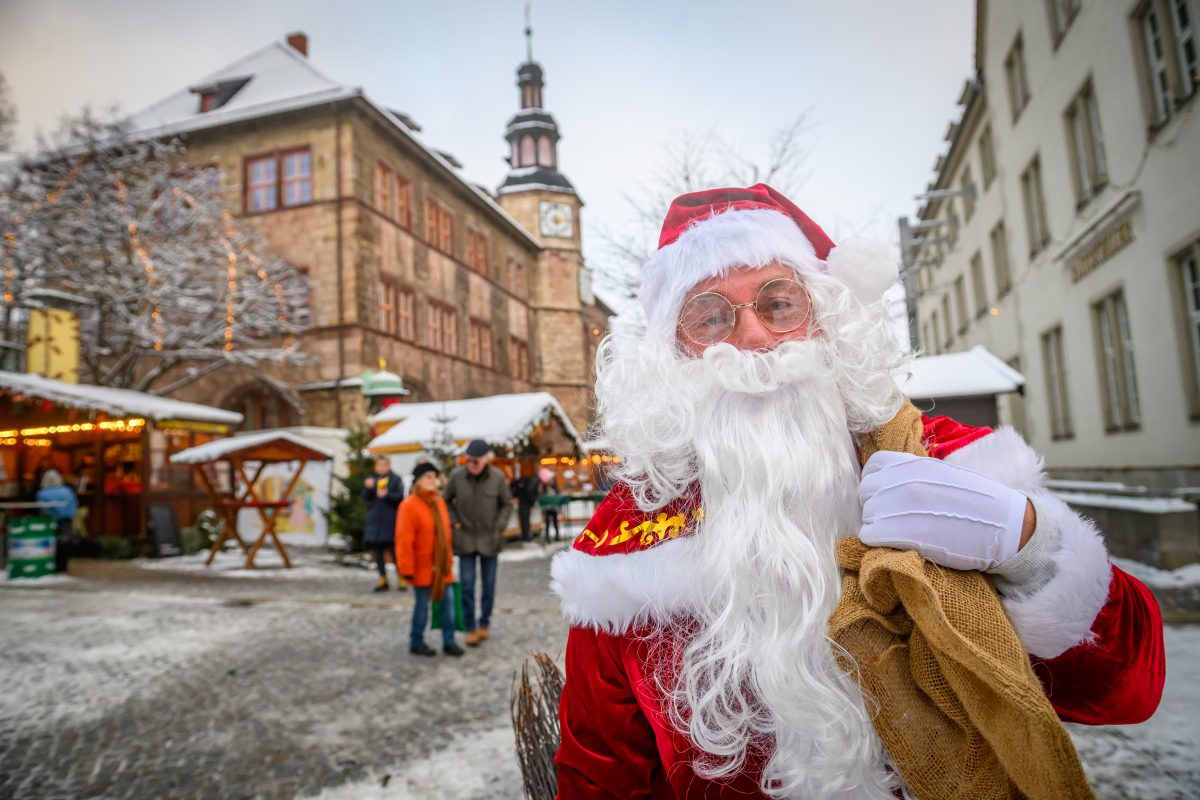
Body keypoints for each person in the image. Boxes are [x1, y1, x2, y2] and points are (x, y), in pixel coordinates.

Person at [551, 184, 1165, 798]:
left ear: (826, 317)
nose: (756, 339)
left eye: (779, 303)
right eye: (711, 317)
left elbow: (1127, 691)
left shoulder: (946, 458)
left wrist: (1031, 548)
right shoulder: (628, 535)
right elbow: (598, 771)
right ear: (674, 354)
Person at [443, 439, 512, 647]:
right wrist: (454, 522)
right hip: (465, 539)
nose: (472, 463)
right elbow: (446, 500)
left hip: (490, 540)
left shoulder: (497, 478)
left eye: (476, 460)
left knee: (488, 587)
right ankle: (470, 627)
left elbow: (506, 504)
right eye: (469, 459)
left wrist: (499, 527)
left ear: (486, 459)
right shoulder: (457, 477)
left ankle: (484, 623)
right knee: (467, 586)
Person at [395, 463, 464, 657]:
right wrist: (406, 568)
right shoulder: (408, 506)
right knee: (421, 608)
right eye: (428, 477)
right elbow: (403, 539)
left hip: (442, 567)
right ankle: (416, 641)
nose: (432, 480)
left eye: (434, 476)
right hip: (422, 567)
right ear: (417, 481)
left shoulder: (438, 502)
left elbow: (445, 535)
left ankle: (449, 641)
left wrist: (448, 559)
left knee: (448, 606)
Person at [362, 456, 404, 592]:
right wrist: (369, 488)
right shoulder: (372, 480)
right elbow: (364, 498)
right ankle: (382, 578)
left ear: (389, 466)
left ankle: (401, 577)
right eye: (379, 465)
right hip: (375, 522)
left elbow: (400, 498)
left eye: (384, 465)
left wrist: (387, 494)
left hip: (390, 521)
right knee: (378, 551)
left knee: (394, 551)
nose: (381, 468)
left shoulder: (395, 480)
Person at [36, 469, 78, 573]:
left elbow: (43, 509)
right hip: (66, 520)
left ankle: (52, 565)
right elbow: (74, 504)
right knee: (65, 543)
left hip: (50, 521)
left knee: (51, 544)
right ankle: (63, 566)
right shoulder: (68, 491)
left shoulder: (42, 494)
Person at [512, 472, 540, 542]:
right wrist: (532, 501)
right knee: (525, 520)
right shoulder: (534, 480)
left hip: (524, 503)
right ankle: (526, 537)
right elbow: (529, 491)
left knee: (525, 520)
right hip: (525, 504)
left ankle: (526, 536)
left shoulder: (532, 480)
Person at [537, 467, 562, 542]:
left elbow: (558, 494)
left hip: (554, 507)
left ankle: (557, 535)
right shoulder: (543, 486)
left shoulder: (554, 486)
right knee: (547, 523)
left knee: (555, 522)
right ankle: (547, 537)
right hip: (546, 508)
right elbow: (541, 496)